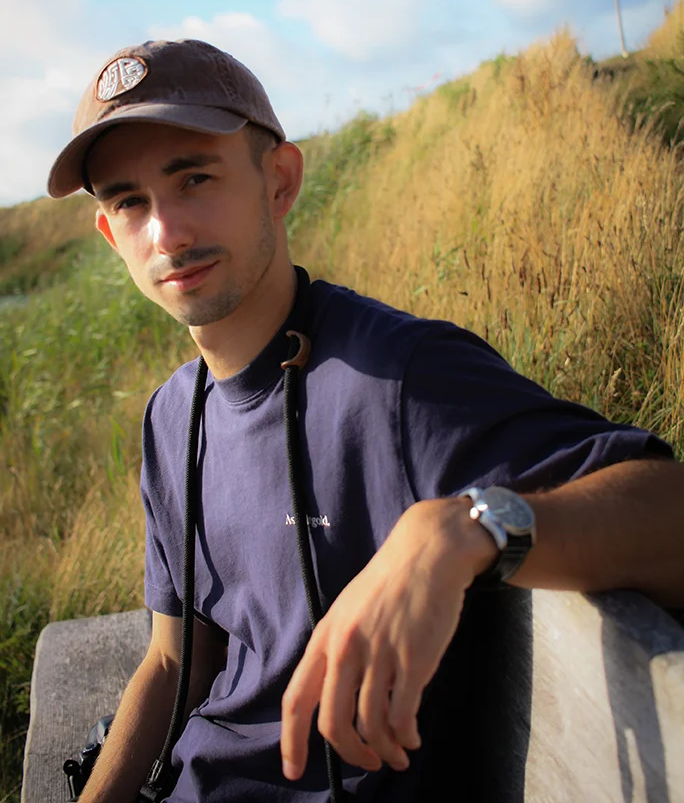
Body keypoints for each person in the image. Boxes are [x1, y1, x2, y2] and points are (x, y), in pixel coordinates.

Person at [47, 39, 684, 803]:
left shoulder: (400, 376)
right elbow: (175, 660)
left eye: (195, 178)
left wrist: (461, 528)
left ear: (279, 181)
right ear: (110, 234)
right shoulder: (172, 415)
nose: (167, 233)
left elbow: (668, 509)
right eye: (130, 201)